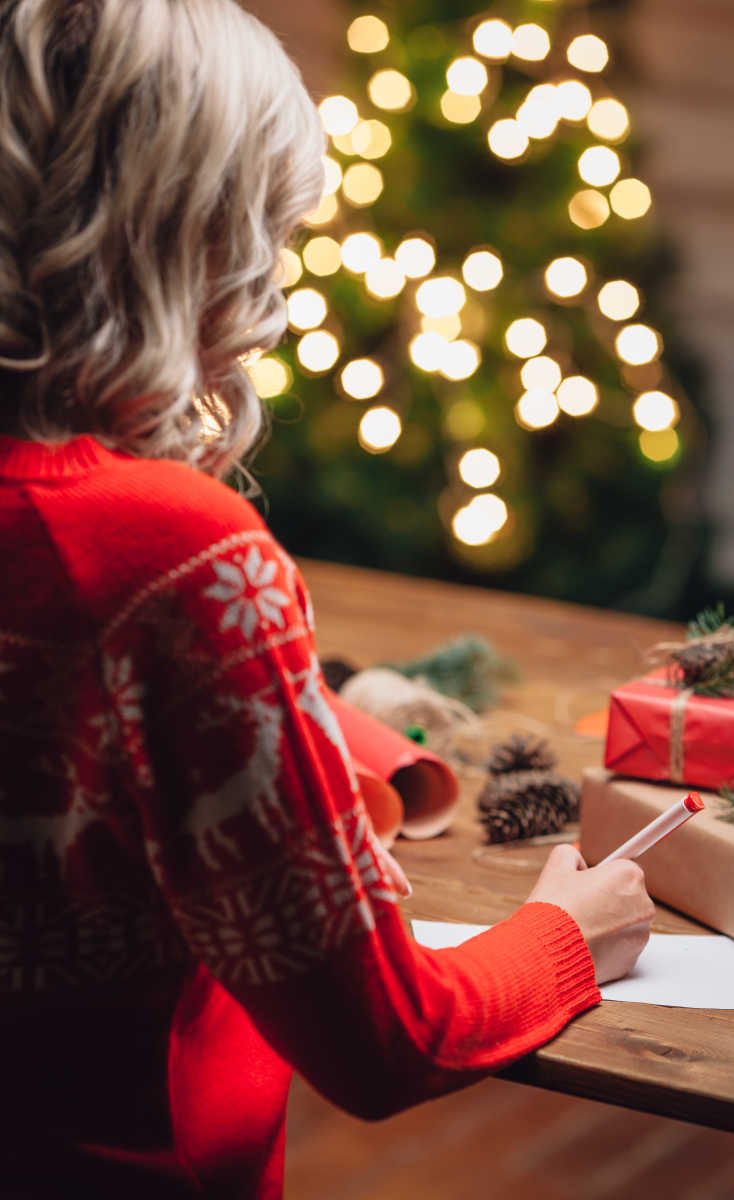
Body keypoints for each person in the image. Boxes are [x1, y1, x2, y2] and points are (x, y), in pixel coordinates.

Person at [0, 1, 655, 1196]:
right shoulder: (174, 549)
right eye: (272, 227)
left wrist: (323, 742)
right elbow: (388, 1038)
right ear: (180, 233)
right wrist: (575, 933)